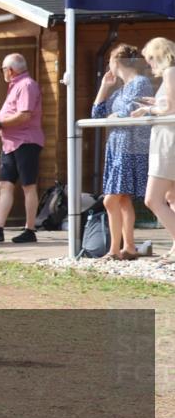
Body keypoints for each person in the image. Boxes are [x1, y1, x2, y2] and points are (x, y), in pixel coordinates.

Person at [91, 44, 154, 260]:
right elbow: (98, 114)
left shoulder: (140, 83)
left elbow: (128, 114)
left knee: (111, 200)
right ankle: (128, 247)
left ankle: (114, 250)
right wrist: (104, 87)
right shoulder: (119, 90)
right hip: (116, 146)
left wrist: (114, 117)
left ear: (115, 61)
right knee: (123, 199)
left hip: (131, 146)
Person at [0, 53, 45, 244]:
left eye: (3, 69)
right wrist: (1, 124)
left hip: (26, 142)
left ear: (10, 70)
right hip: (10, 144)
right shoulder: (16, 85)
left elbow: (24, 115)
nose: (2, 73)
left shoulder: (27, 85)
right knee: (5, 184)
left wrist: (0, 123)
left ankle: (30, 230)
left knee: (28, 186)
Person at [132, 37, 175, 259]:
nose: (149, 64)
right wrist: (154, 104)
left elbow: (170, 108)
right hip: (168, 138)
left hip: (168, 140)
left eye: (150, 58)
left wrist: (148, 111)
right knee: (171, 196)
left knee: (152, 199)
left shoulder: (170, 72)